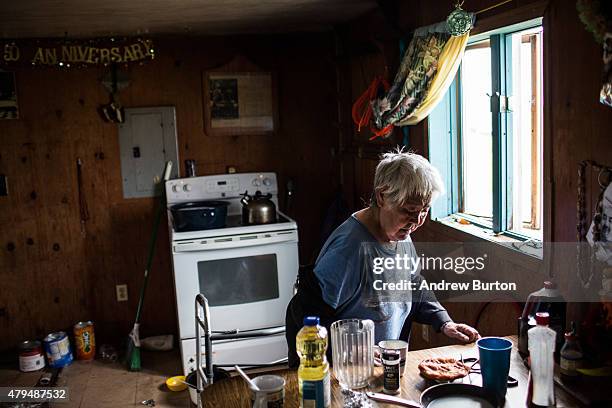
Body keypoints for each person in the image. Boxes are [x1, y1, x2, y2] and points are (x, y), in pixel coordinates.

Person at [286, 150, 479, 367]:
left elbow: (413, 284)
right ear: (381, 196)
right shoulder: (349, 249)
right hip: (344, 371)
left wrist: (443, 322)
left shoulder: (400, 233)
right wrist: (354, 350)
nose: (416, 221)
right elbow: (305, 313)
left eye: (424, 211)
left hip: (382, 366)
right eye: (409, 210)